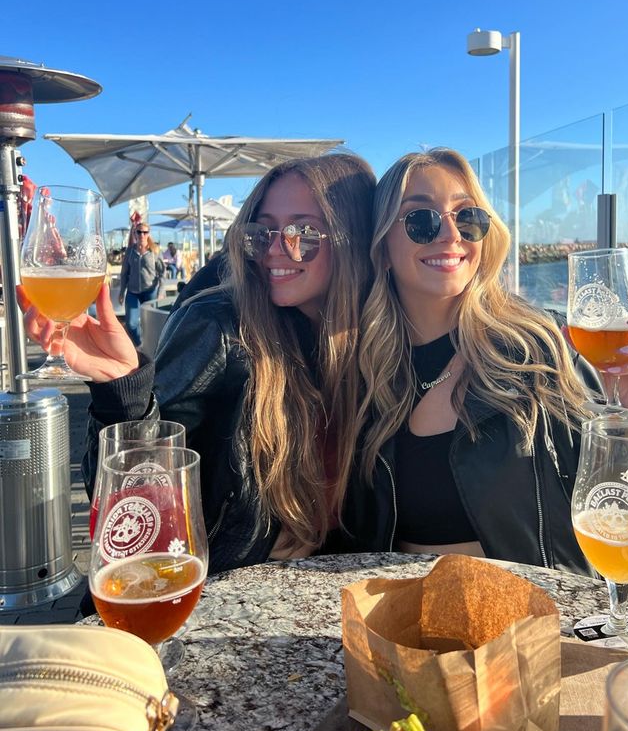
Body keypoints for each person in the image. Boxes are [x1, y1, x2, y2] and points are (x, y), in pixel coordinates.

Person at [18, 153, 376, 573]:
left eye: (304, 231)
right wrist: (125, 393)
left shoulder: (373, 345)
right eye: (263, 232)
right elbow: (128, 497)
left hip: (332, 587)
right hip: (221, 590)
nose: (276, 250)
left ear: (353, 237)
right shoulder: (220, 325)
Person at [347, 148, 628, 576]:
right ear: (382, 243)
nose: (450, 235)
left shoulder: (539, 348)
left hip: (533, 614)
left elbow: (617, 507)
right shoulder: (358, 368)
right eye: (421, 219)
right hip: (401, 615)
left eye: (468, 217)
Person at [118, 224, 160, 346]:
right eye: (139, 232)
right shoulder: (130, 251)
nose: (142, 235)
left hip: (150, 291)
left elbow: (162, 273)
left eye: (145, 232)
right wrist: (121, 292)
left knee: (152, 323)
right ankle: (139, 345)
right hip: (133, 292)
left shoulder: (154, 251)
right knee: (131, 323)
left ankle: (151, 346)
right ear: (135, 234)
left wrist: (161, 292)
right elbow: (124, 273)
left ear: (148, 234)